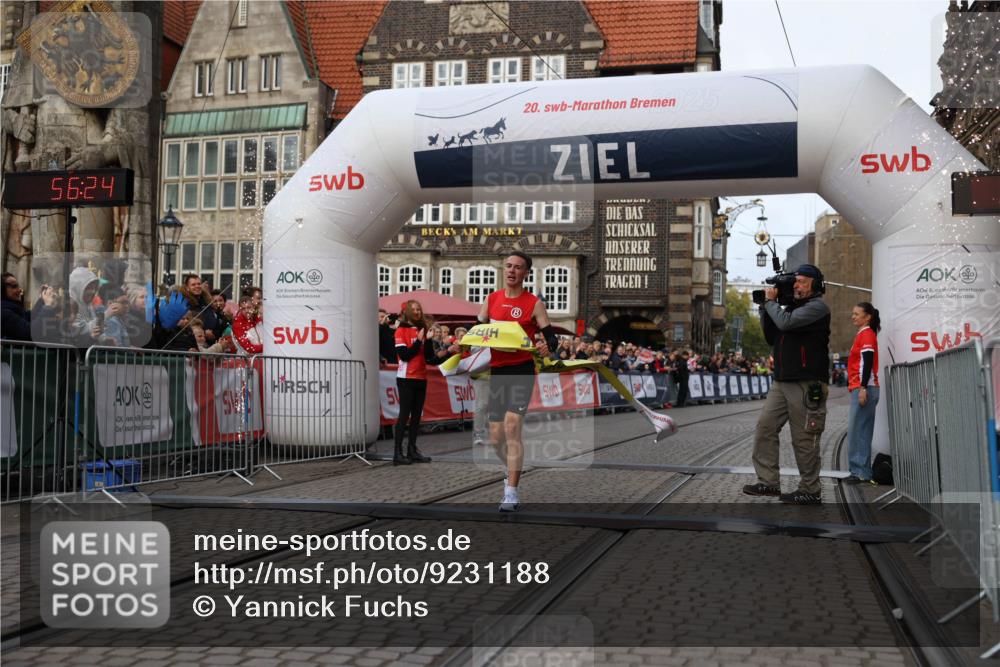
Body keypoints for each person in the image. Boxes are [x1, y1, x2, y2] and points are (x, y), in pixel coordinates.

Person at [743, 264, 831, 505]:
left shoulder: (817, 307)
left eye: (802, 281)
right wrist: (765, 308)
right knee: (765, 428)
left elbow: (787, 324)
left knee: (803, 438)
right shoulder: (788, 309)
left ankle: (810, 489)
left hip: (806, 382)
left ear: (815, 284)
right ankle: (768, 482)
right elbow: (771, 335)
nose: (796, 285)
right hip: (782, 381)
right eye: (795, 281)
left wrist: (771, 305)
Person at [477, 251, 556, 512]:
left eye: (517, 267)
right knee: (496, 437)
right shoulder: (491, 300)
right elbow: (475, 332)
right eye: (508, 266)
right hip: (498, 371)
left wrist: (547, 348)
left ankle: (511, 491)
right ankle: (511, 467)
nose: (512, 270)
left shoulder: (533, 303)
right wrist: (460, 348)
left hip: (522, 370)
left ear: (526, 273)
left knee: (512, 427)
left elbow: (551, 338)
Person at [392, 299, 459, 465]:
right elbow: (405, 355)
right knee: (404, 415)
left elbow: (430, 359)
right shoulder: (401, 330)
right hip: (406, 378)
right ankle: (397, 453)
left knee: (416, 417)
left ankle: (412, 450)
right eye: (414, 309)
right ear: (407, 311)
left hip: (421, 378)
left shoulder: (423, 330)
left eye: (419, 309)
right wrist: (418, 341)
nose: (417, 312)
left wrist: (447, 351)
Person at [845, 302, 881, 485]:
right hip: (864, 387)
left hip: (864, 388)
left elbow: (866, 361)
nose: (853, 316)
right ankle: (862, 472)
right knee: (861, 431)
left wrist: (863, 388)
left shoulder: (866, 334)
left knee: (857, 431)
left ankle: (859, 472)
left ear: (868, 317)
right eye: (853, 313)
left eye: (856, 314)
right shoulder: (865, 334)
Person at [2, 273, 58, 342]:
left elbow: (32, 316)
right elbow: (32, 332)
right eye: (14, 286)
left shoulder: (14, 310)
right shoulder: (3, 313)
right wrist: (48, 305)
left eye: (18, 286)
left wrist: (42, 299)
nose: (19, 290)